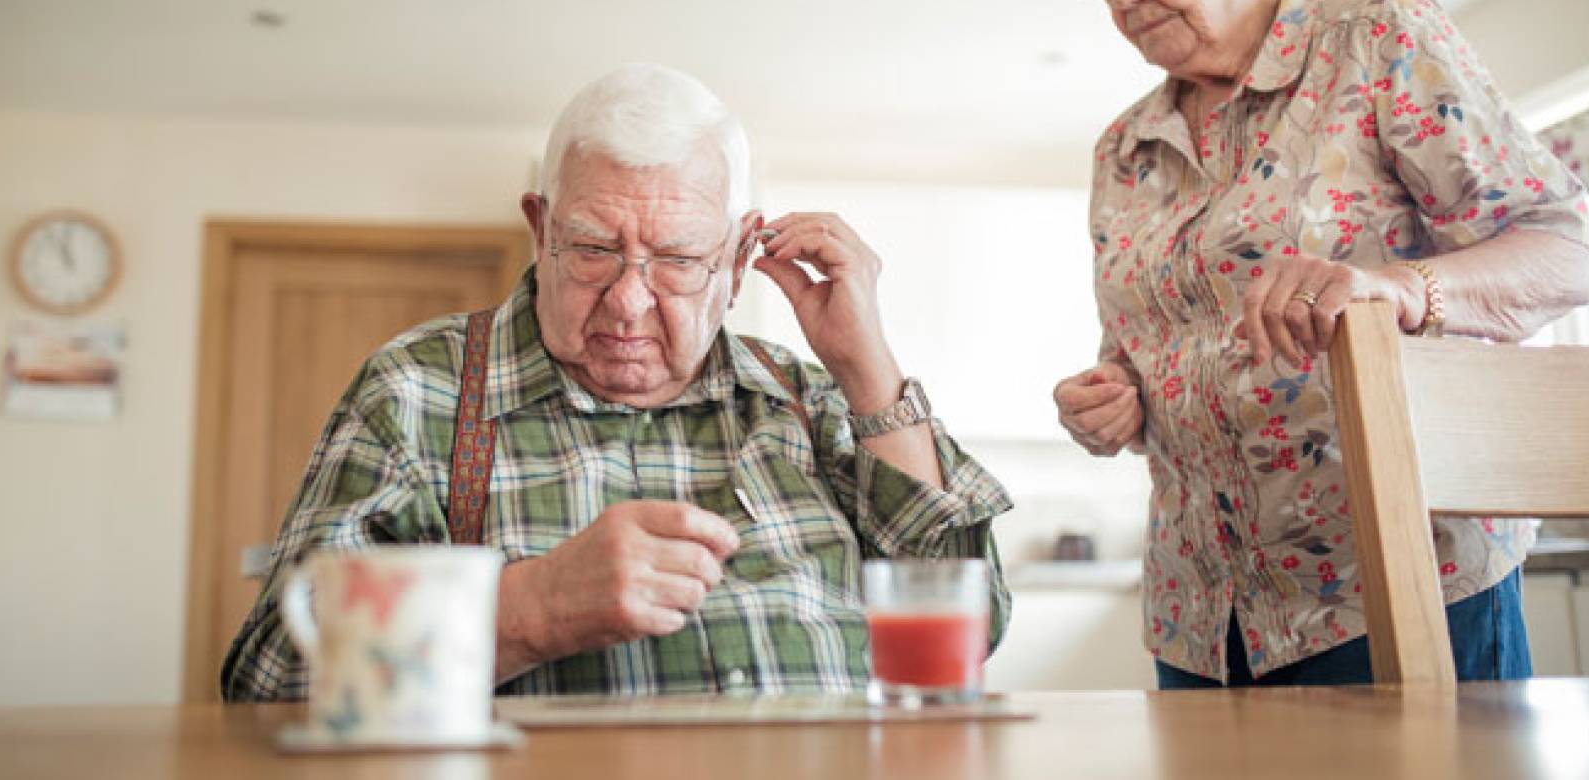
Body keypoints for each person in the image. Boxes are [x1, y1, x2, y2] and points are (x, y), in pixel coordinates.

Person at [222, 63, 1013, 700]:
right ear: (541, 230)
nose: (630, 301)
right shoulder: (417, 390)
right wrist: (529, 610)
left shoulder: (817, 399)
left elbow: (971, 634)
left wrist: (869, 369)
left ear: (739, 260)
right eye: (594, 248)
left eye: (675, 259)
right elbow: (269, 681)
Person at [1047, 0, 1589, 688]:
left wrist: (1397, 290)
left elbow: (1566, 248)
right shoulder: (1124, 149)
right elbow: (1142, 352)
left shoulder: (1376, 39)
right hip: (1202, 617)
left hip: (1398, 586)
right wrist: (1114, 402)